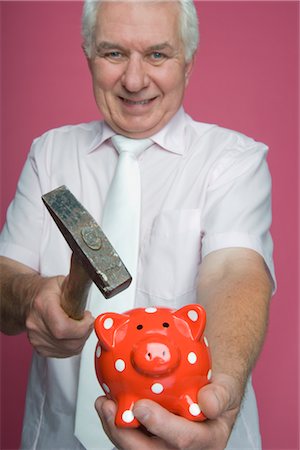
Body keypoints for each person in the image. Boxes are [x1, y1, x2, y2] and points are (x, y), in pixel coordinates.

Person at [0, 0, 275, 449]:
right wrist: (32, 296)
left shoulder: (234, 161)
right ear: (89, 55)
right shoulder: (49, 154)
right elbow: (4, 275)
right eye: (113, 53)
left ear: (188, 62)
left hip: (200, 437)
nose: (133, 80)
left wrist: (218, 396)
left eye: (157, 54)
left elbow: (234, 272)